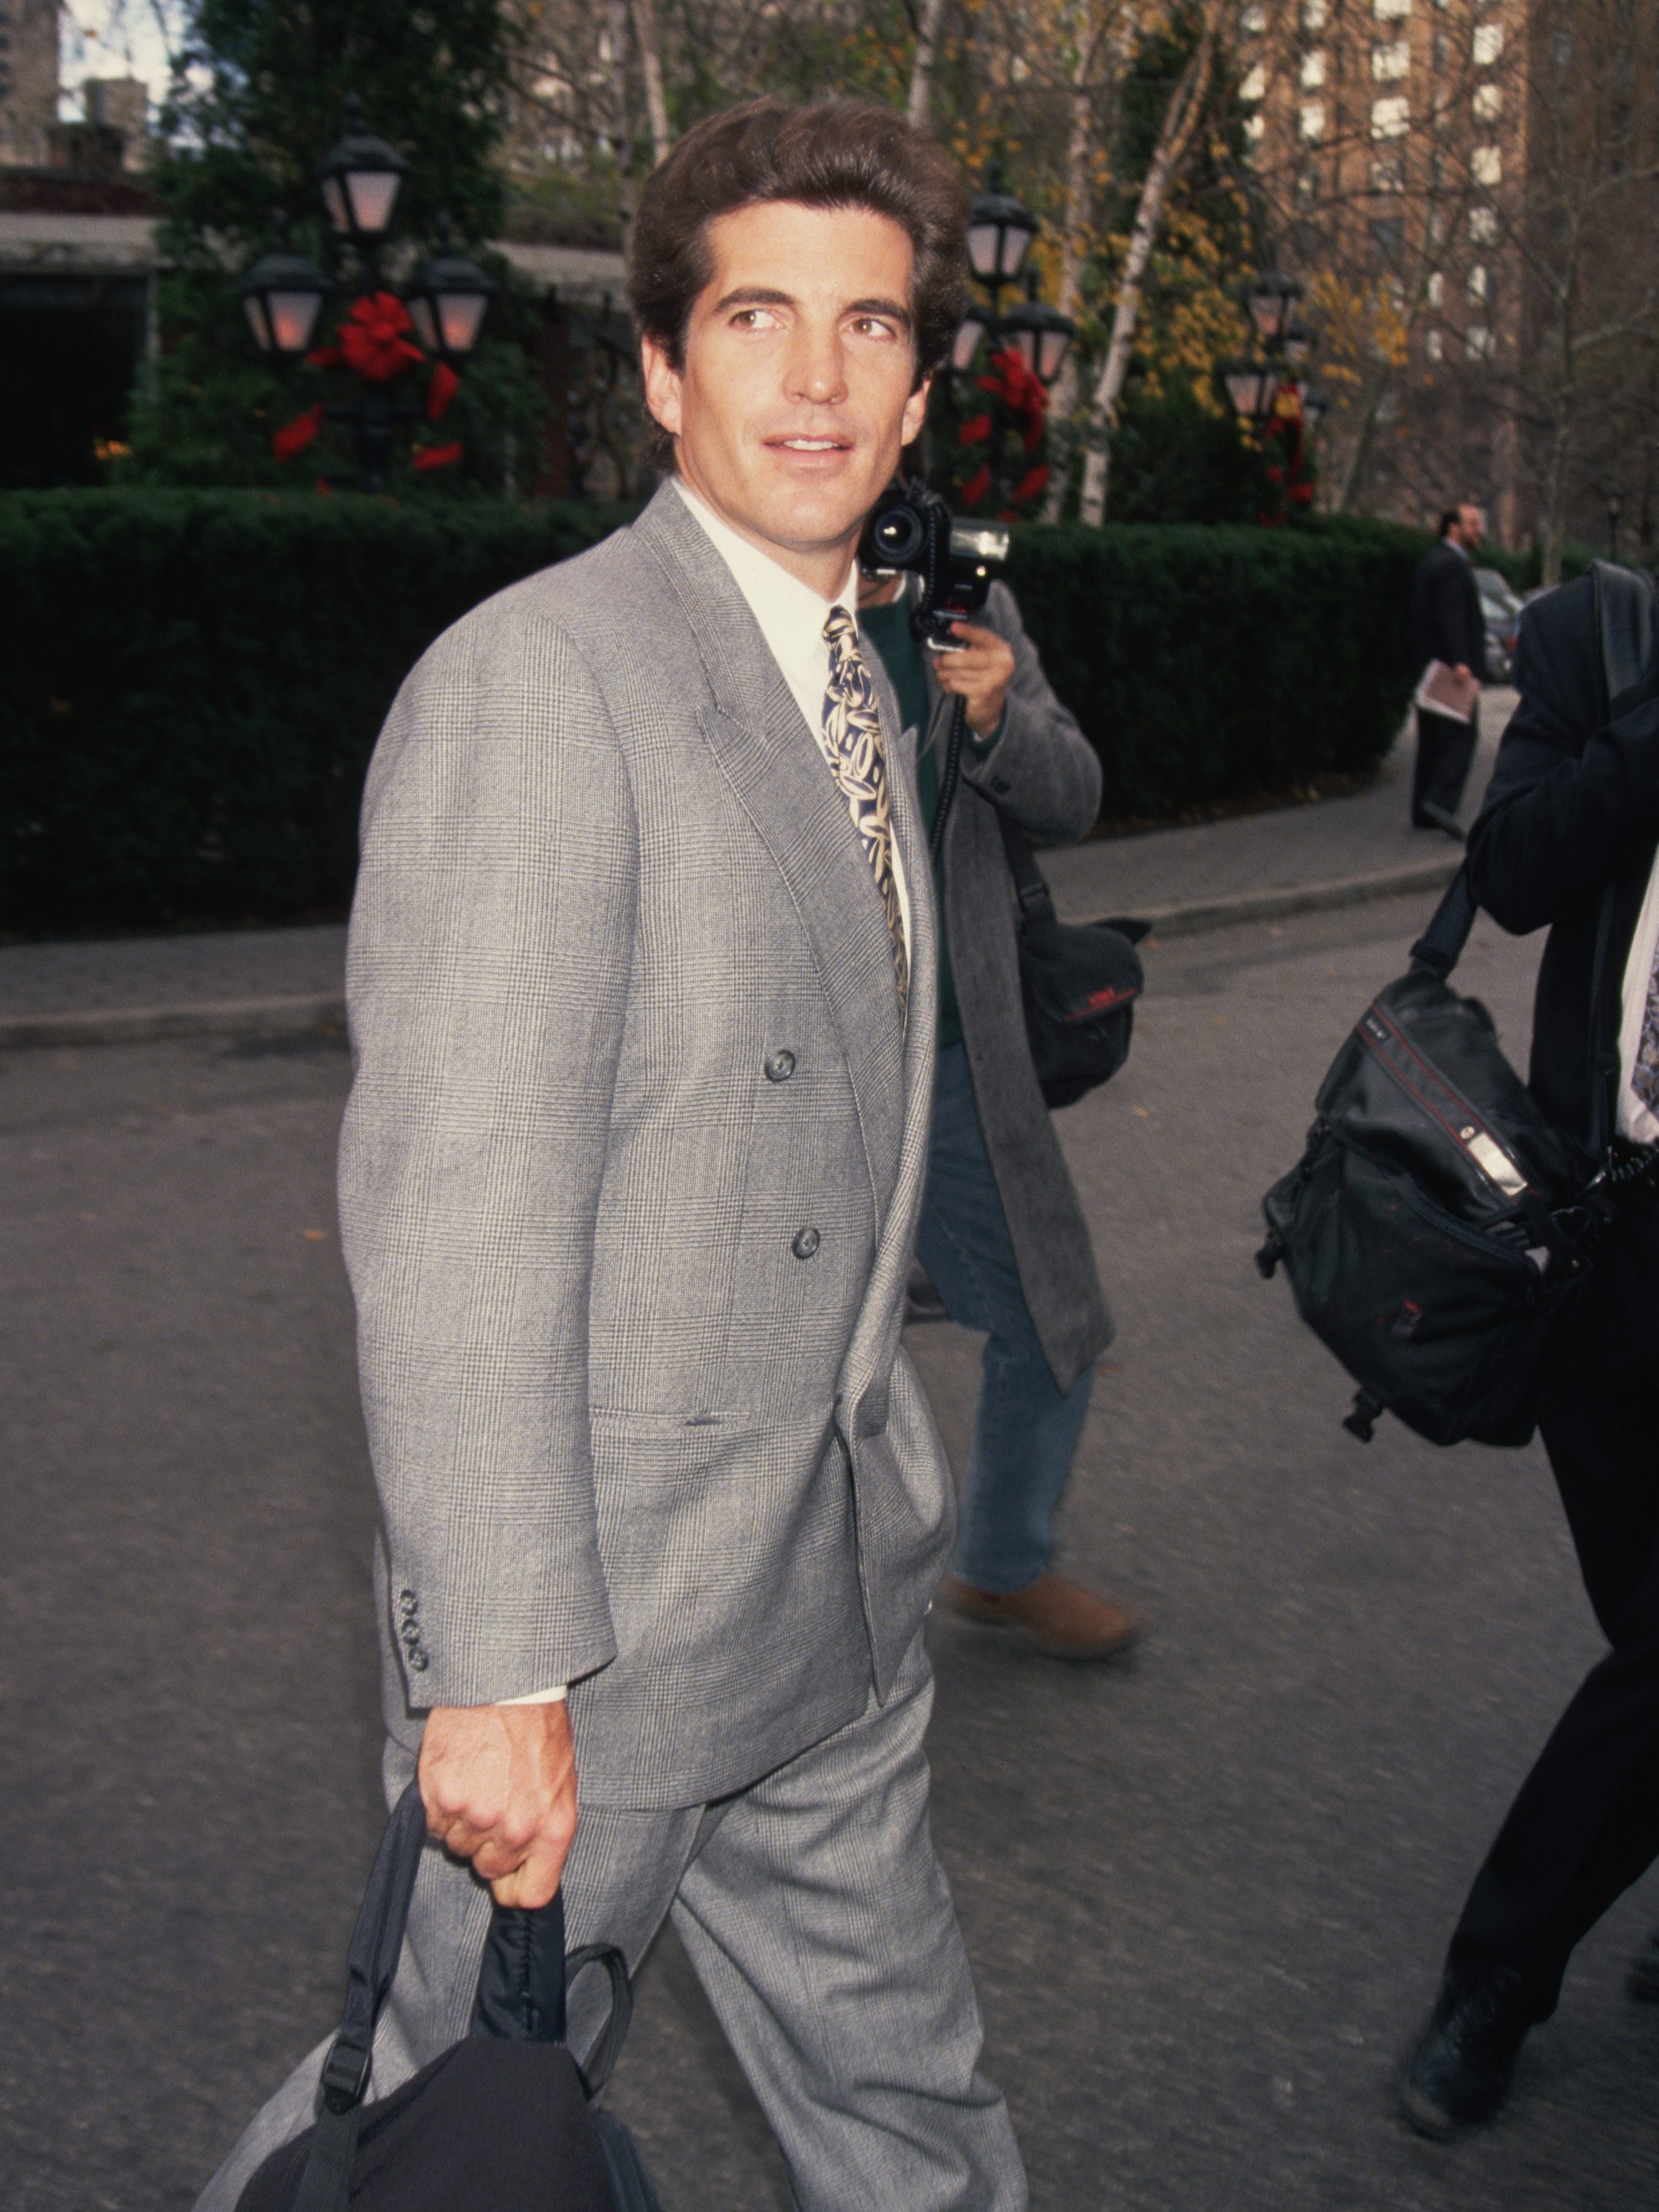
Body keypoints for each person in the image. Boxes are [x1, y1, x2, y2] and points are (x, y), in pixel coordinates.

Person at [195, 98, 1026, 2212]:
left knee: (915, 2119)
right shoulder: (538, 683)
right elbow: (457, 1207)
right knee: (409, 2125)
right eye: (758, 317)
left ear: (923, 382)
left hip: (825, 1608)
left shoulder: (868, 682)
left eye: (867, 328)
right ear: (662, 368)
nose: (817, 378)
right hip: (602, 1640)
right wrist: (492, 1668)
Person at [1400, 568, 1659, 2138]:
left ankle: (1496, 1974)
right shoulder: (1597, 644)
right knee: (1642, 1624)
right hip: (1606, 1235)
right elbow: (1508, 871)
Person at [859, 558, 1139, 1658]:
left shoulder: (963, 611)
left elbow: (1071, 793)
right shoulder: (739, 602)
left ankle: (1002, 1561)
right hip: (782, 1074)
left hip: (952, 1052)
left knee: (1051, 1317)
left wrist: (993, 714)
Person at [1408, 501, 1491, 839]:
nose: (1478, 530)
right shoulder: (1452, 567)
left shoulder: (1434, 561)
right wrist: (1461, 661)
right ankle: (1441, 803)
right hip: (1449, 670)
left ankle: (1423, 811)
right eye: (1472, 524)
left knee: (1432, 737)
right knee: (1462, 735)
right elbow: (1452, 616)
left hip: (1428, 667)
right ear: (1453, 527)